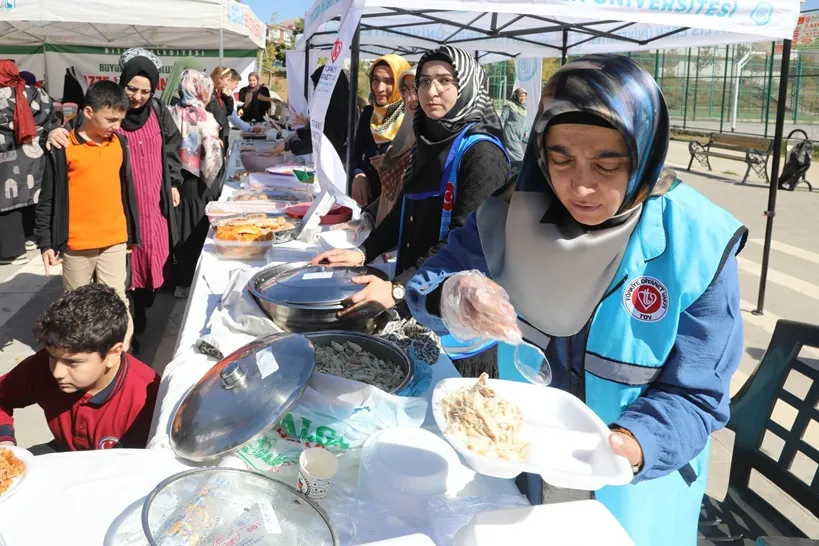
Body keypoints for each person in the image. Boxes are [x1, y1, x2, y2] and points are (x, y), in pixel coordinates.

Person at [405, 55, 746, 546]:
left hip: (633, 493)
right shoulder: (513, 210)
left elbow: (697, 394)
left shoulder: (698, 243)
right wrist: (450, 295)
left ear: (646, 152)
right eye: (560, 159)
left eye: (608, 163)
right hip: (519, 471)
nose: (580, 186)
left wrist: (635, 444)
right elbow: (430, 283)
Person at [312, 47, 510, 376]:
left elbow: (464, 245)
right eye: (424, 81)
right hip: (417, 303)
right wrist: (363, 252)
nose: (432, 92)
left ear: (468, 86)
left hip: (457, 327)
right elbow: (407, 206)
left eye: (445, 81)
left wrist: (399, 287)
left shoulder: (482, 155)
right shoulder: (428, 139)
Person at [46, 48, 184, 354]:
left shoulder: (160, 112)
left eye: (145, 91)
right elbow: (74, 132)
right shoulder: (104, 116)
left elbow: (172, 148)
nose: (137, 97)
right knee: (119, 279)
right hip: (120, 206)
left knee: (149, 269)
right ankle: (117, 338)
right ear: (121, 84)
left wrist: (173, 182)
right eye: (132, 89)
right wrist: (52, 130)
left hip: (152, 206)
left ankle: (137, 321)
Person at [35, 81, 140, 348]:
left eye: (120, 120)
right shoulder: (63, 146)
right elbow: (48, 197)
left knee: (117, 302)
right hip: (77, 243)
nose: (117, 126)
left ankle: (120, 355)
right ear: (89, 112)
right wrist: (46, 242)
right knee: (77, 308)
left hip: (114, 239)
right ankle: (82, 357)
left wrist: (131, 234)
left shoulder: (119, 143)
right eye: (111, 119)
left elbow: (126, 190)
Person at [0, 284, 160, 453]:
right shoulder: (41, 365)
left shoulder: (148, 398)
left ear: (113, 354)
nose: (57, 373)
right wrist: (4, 440)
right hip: (63, 453)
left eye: (73, 362)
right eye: (52, 357)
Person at [171, 70, 224, 291]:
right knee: (198, 232)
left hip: (178, 182)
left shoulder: (172, 111)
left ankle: (179, 280)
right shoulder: (205, 116)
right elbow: (212, 155)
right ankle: (193, 282)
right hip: (201, 184)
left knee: (181, 230)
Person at [0, 60, 55, 265]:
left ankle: (12, 251)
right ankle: (32, 237)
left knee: (8, 200)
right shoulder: (37, 93)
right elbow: (51, 118)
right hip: (35, 155)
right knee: (32, 194)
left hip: (7, 157)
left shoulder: (3, 94)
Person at [349, 54, 411, 207]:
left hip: (398, 203)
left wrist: (390, 164)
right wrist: (359, 174)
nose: (379, 88)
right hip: (369, 199)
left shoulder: (411, 118)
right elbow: (356, 153)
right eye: (375, 80)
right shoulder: (369, 113)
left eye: (389, 81)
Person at [268, 66, 352, 159]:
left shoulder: (340, 107)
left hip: (339, 162)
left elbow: (324, 139)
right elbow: (321, 130)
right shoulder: (333, 103)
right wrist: (298, 133)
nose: (315, 89)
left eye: (317, 85)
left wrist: (289, 146)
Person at [369, 67, 419, 225]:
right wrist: (368, 215)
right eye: (405, 89)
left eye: (417, 88)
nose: (411, 98)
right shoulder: (409, 131)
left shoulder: (439, 145)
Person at [500, 88, 528, 163]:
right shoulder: (509, 106)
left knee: (513, 157)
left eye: (524, 96)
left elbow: (524, 121)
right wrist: (499, 132)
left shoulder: (523, 107)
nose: (523, 98)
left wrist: (525, 132)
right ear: (516, 96)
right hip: (510, 135)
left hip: (519, 137)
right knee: (520, 158)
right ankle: (517, 174)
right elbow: (502, 120)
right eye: (521, 96)